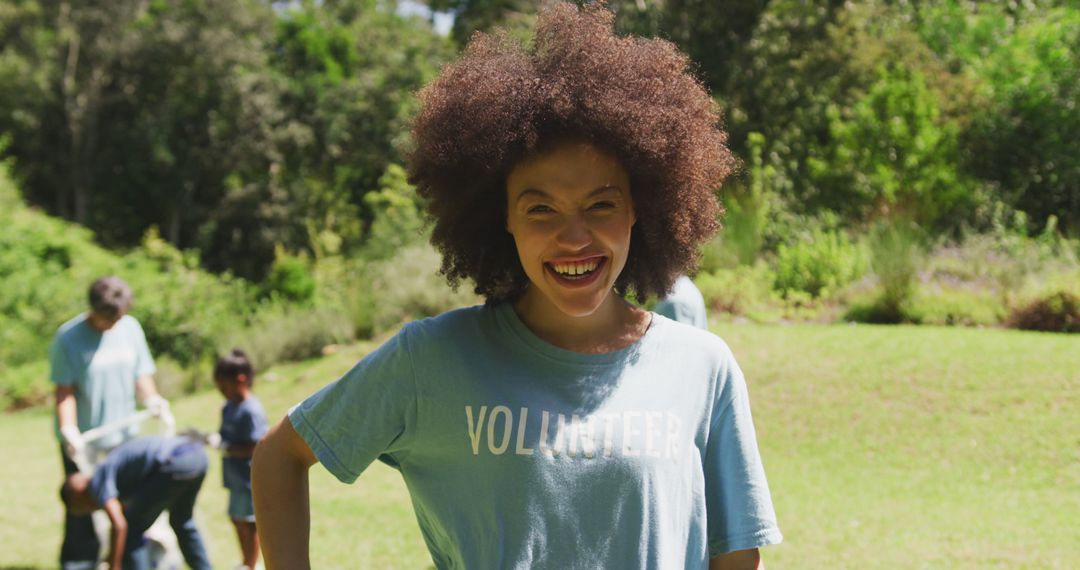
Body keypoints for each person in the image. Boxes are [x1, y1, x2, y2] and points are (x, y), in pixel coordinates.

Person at [252, 4, 782, 569]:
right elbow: (280, 456)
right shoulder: (432, 359)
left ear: (639, 210)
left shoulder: (703, 365)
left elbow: (736, 553)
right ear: (501, 216)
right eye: (540, 209)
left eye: (600, 205)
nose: (572, 237)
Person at [51, 276, 171, 569]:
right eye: (109, 317)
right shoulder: (68, 338)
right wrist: (69, 429)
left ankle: (133, 561)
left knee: (131, 507)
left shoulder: (129, 328)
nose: (115, 322)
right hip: (84, 444)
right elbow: (64, 390)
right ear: (93, 309)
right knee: (83, 510)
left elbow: (140, 374)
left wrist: (152, 399)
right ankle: (79, 563)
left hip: (124, 440)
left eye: (119, 316)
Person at [60, 436, 212, 570]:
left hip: (174, 462)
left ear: (78, 495)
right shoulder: (115, 474)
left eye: (82, 509)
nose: (92, 510)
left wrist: (114, 566)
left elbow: (119, 525)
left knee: (130, 531)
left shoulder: (97, 480)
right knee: (182, 522)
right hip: (197, 456)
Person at [214, 349, 268, 570]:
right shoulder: (228, 408)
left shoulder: (251, 410)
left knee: (250, 522)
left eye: (224, 387)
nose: (221, 392)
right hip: (233, 476)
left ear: (241, 379)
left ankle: (251, 564)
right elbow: (223, 436)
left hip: (248, 477)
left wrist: (225, 448)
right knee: (236, 518)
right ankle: (245, 561)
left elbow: (256, 446)